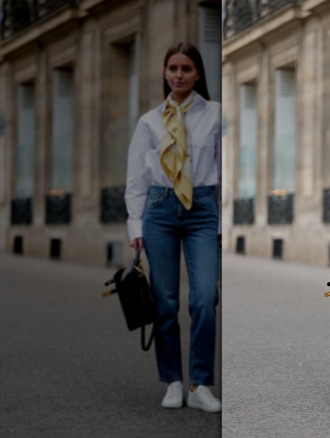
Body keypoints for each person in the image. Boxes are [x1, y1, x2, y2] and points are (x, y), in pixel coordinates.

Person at [125, 42, 222, 413]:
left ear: (198, 73)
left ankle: (199, 384)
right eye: (173, 69)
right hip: (160, 210)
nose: (179, 75)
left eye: (186, 68)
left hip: (202, 208)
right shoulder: (149, 121)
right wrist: (135, 223)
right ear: (165, 74)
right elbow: (136, 179)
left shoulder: (215, 114)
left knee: (204, 299)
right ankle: (173, 381)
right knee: (165, 302)